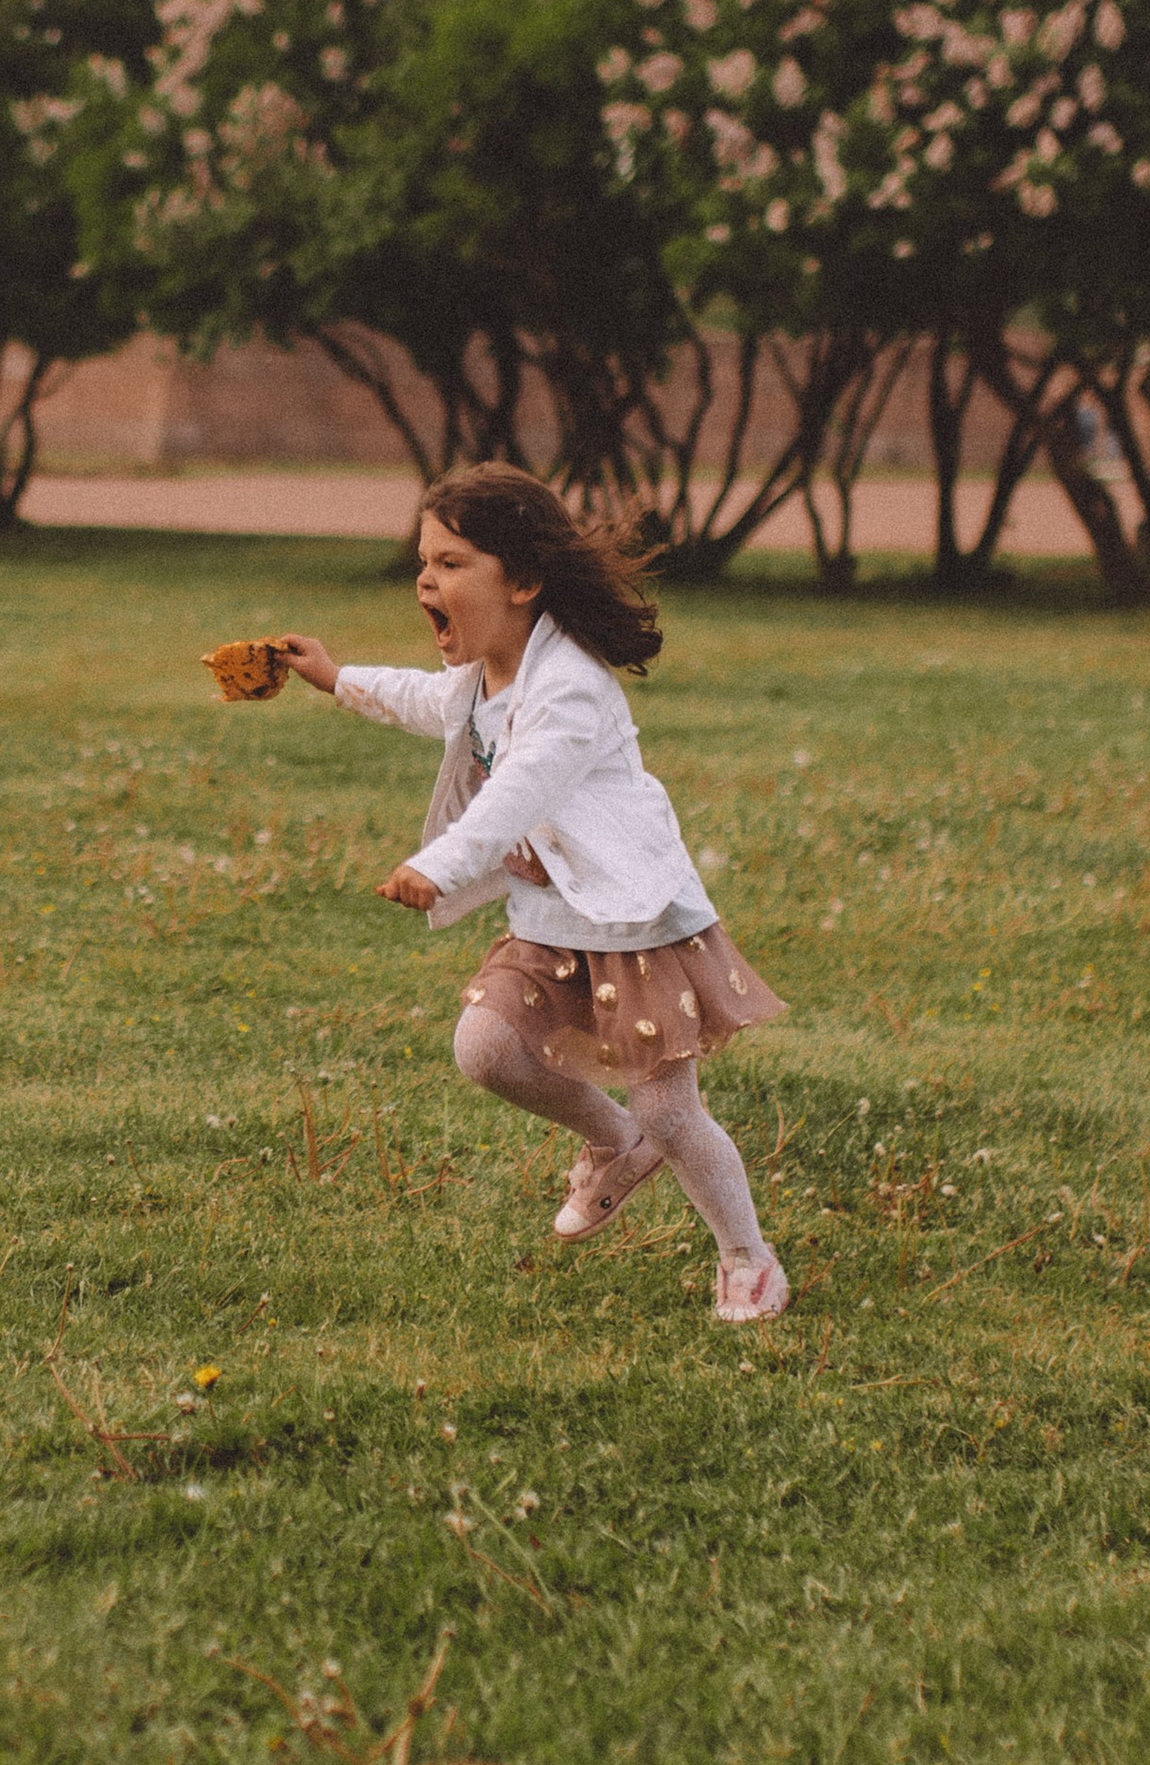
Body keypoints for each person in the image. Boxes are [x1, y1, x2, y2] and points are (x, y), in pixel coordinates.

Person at [272, 462, 789, 1322]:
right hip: (551, 918)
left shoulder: (571, 687)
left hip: (634, 919)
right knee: (486, 1049)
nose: (425, 581)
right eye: (423, 562)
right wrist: (335, 676)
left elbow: (518, 791)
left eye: (451, 563)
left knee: (672, 1111)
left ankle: (748, 1260)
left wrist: (440, 864)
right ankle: (613, 1139)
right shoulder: (485, 675)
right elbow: (426, 699)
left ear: (523, 582)